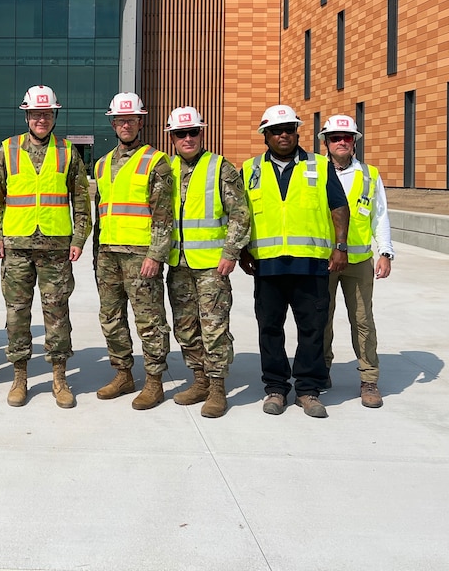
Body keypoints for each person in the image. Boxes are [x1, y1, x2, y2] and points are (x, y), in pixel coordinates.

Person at [238, 105, 349, 419]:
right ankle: (275, 387)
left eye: (288, 129)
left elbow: (339, 206)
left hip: (311, 263)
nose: (283, 135)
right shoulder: (250, 169)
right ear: (266, 135)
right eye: (276, 130)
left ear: (297, 132)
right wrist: (244, 249)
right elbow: (241, 213)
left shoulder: (320, 165)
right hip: (268, 264)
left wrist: (341, 246)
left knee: (312, 328)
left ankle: (308, 390)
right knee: (270, 328)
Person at [0, 85, 91, 409]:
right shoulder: (7, 149)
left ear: (53, 114)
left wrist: (78, 239)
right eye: (36, 113)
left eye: (46, 113)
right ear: (27, 114)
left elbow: (82, 203)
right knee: (17, 315)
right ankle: (20, 377)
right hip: (16, 246)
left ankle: (59, 377)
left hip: (56, 249)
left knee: (57, 315)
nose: (41, 119)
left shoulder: (69, 152)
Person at [164, 107, 250, 418]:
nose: (187, 138)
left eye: (193, 132)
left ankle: (216, 387)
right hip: (178, 263)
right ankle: (198, 379)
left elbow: (240, 214)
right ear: (172, 137)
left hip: (212, 265)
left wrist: (230, 253)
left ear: (202, 133)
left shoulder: (220, 168)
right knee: (185, 327)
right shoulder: (167, 169)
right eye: (180, 134)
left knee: (213, 327)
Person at [93, 92, 174, 410]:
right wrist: (97, 254)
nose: (125, 125)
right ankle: (123, 373)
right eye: (120, 120)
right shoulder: (101, 164)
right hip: (108, 253)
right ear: (112, 123)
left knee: (149, 320)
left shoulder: (156, 161)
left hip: (141, 255)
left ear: (141, 121)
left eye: (131, 119)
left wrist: (156, 254)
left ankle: (154, 381)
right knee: (110, 317)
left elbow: (163, 215)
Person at [320, 114, 395, 408]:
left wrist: (385, 252)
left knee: (363, 321)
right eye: (335, 137)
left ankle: (369, 379)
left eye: (347, 137)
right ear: (326, 142)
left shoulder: (369, 175)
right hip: (322, 260)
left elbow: (380, 215)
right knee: (319, 320)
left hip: (359, 260)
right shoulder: (314, 172)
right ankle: (320, 370)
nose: (341, 142)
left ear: (354, 142)